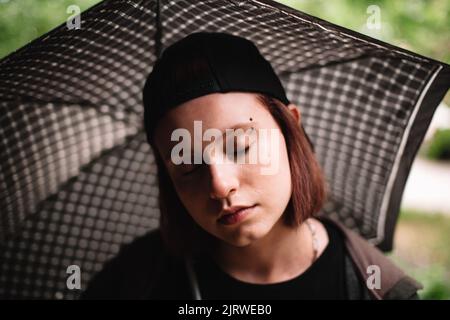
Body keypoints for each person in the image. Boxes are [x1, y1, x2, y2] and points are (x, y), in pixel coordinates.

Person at [82, 32, 421, 300]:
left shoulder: (377, 287)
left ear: (292, 127)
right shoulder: (131, 282)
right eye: (186, 164)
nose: (219, 184)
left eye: (240, 147)